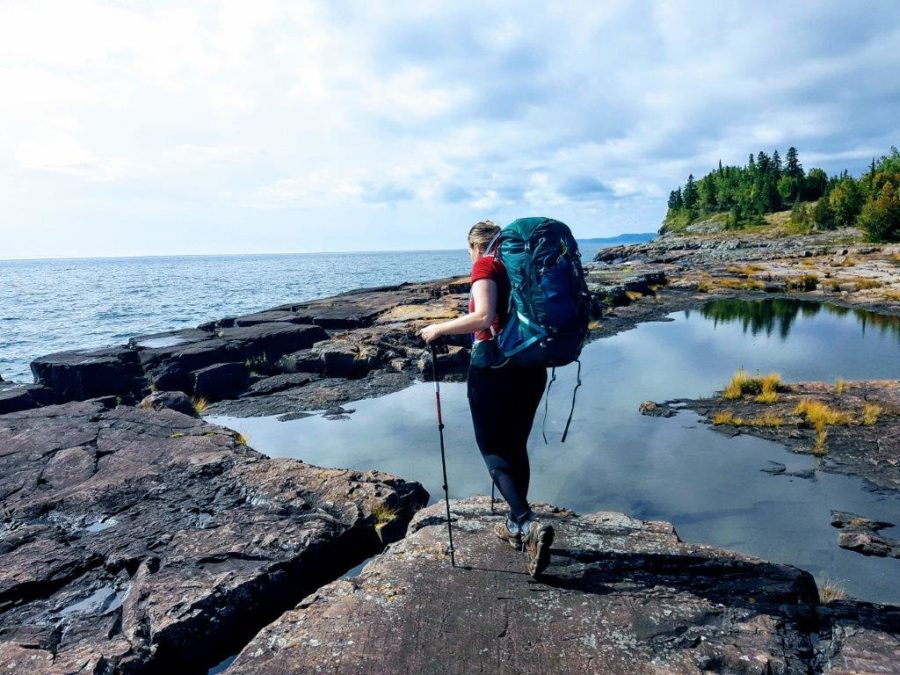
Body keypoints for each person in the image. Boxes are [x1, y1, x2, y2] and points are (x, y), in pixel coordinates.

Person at [419, 219, 554, 577]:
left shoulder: (486, 264)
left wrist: (438, 329)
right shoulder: (524, 266)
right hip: (532, 365)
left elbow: (484, 316)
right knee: (516, 445)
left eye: (468, 251)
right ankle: (514, 525)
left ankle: (527, 523)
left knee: (492, 449)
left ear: (476, 246)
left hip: (494, 368)